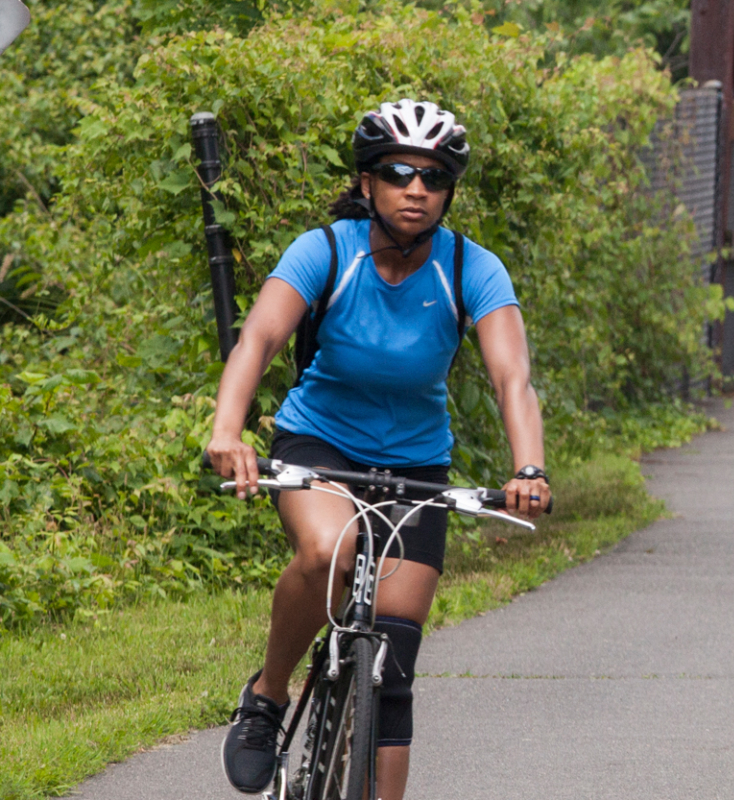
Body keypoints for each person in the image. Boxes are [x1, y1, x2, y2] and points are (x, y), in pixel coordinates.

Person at [204, 99, 551, 799]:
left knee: (392, 667)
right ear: (367, 183)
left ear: (449, 190)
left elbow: (512, 376)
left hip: (416, 468)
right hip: (320, 445)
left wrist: (529, 468)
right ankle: (269, 698)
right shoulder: (327, 250)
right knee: (327, 550)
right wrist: (226, 430)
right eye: (396, 173)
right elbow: (260, 340)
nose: (414, 189)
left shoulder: (471, 268)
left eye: (432, 177)